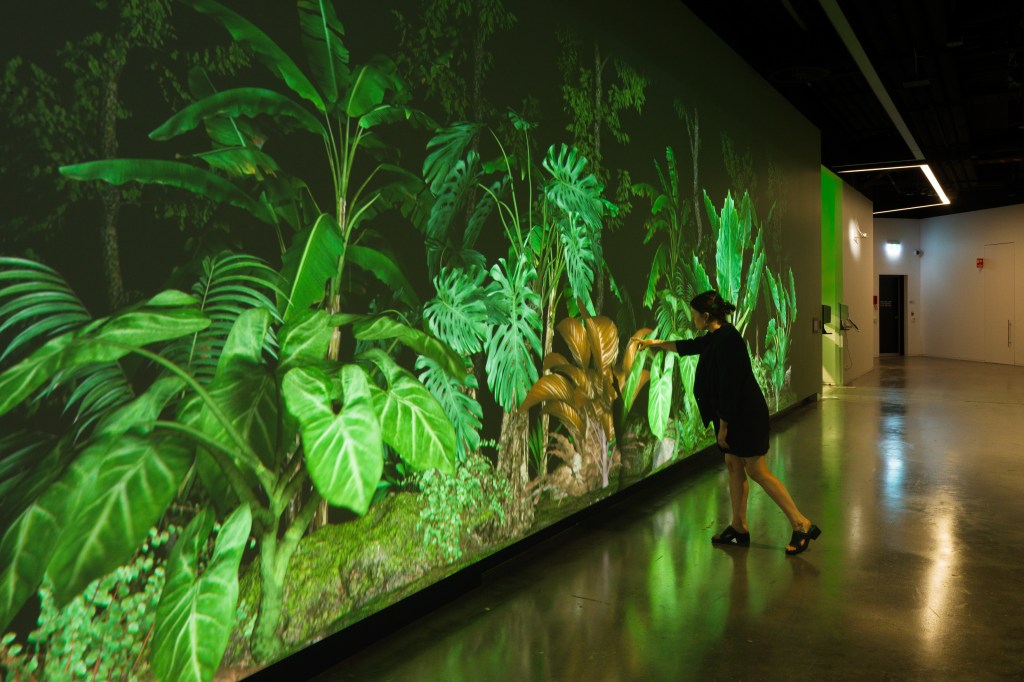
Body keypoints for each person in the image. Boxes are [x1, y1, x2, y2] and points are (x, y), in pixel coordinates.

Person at [638, 290, 821, 555]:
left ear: (706, 315)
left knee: (757, 471)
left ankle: (801, 523)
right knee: (733, 464)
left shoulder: (728, 340)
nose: (692, 317)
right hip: (735, 414)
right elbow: (689, 347)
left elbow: (730, 388)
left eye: (695, 313)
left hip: (743, 416)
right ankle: (739, 526)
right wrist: (655, 343)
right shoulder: (716, 336)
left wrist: (723, 428)